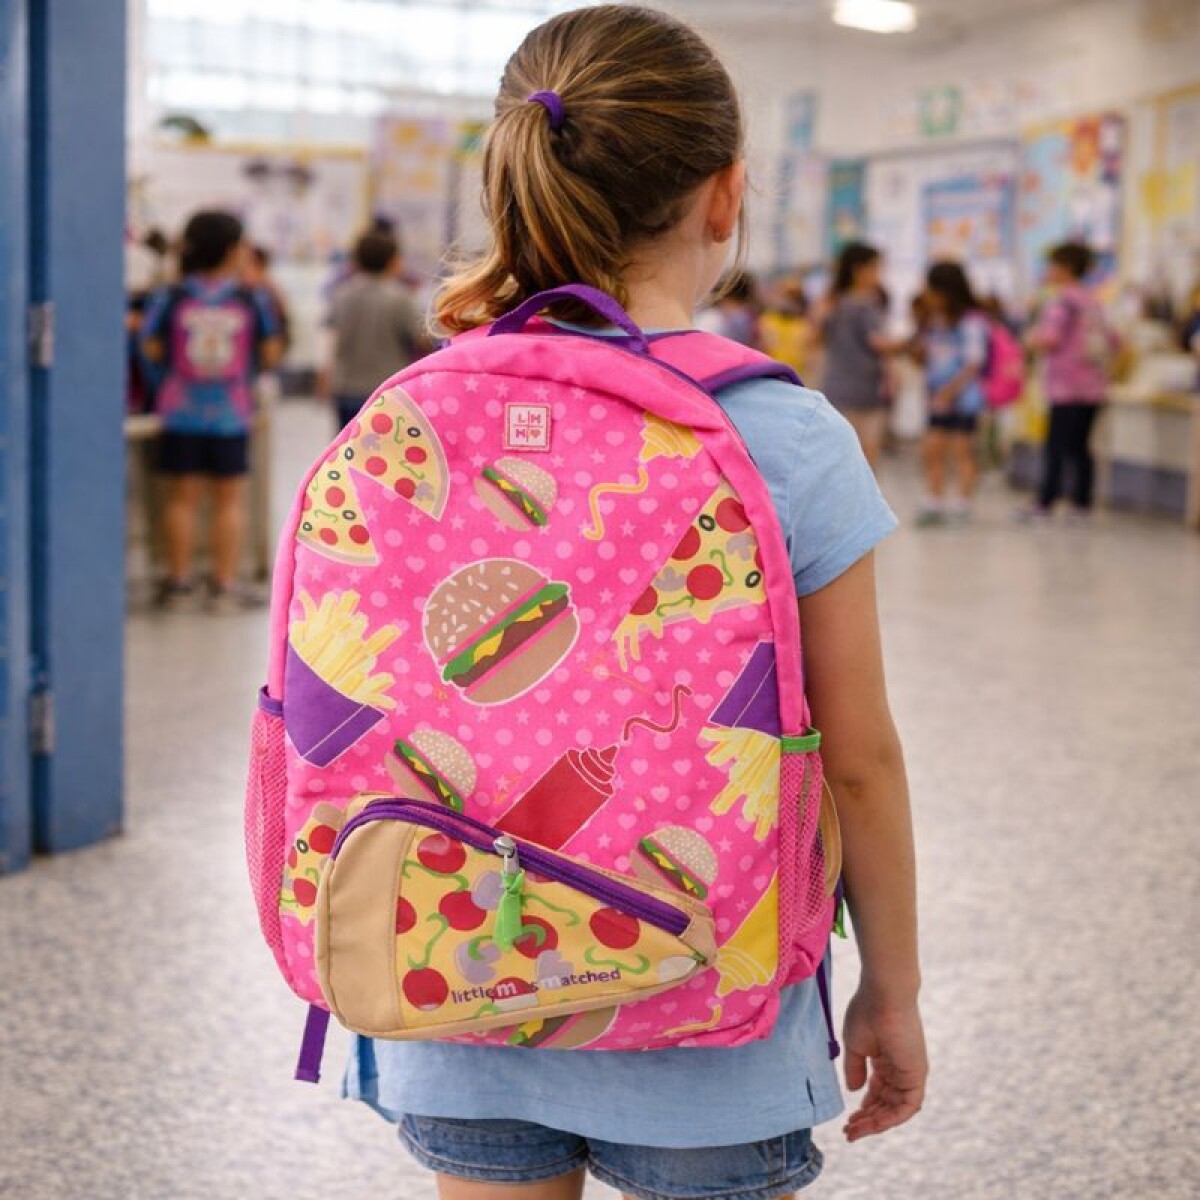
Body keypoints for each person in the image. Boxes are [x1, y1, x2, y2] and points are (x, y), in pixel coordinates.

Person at [342, 8, 927, 1200]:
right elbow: (857, 758)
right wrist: (894, 991)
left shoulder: (413, 414)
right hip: (712, 1010)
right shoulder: (788, 436)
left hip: (459, 988)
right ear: (726, 196)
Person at [141, 210, 282, 612]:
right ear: (232, 249)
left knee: (181, 499)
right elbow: (271, 350)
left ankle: (180, 581)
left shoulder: (173, 295)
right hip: (230, 412)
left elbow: (150, 344)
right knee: (228, 500)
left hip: (179, 408)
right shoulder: (249, 298)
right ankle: (223, 584)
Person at [1022, 242, 1118, 522]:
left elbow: (1050, 339)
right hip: (1094, 386)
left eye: (1052, 265)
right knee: (1081, 447)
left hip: (1066, 387)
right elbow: (1114, 340)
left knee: (1056, 446)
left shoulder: (1062, 301)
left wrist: (1030, 339)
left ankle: (1045, 501)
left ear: (1064, 268)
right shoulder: (1094, 301)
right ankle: (1082, 504)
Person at [327, 229, 431, 431]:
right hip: (384, 390)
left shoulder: (342, 295)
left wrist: (325, 377)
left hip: (344, 387)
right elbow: (422, 340)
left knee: (348, 449)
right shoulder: (400, 298)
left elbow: (332, 338)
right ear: (392, 261)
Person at [916, 260, 989, 525]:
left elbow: (973, 362)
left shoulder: (971, 322)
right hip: (938, 397)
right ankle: (933, 500)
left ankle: (963, 503)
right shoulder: (935, 321)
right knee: (932, 448)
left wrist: (950, 391)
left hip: (962, 398)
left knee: (962, 450)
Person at [820, 243, 903, 470]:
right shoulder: (864, 305)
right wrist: (910, 343)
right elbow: (878, 343)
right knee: (867, 452)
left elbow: (815, 336)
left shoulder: (831, 302)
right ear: (859, 270)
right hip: (865, 389)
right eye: (876, 268)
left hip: (837, 386)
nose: (879, 274)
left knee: (840, 454)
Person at [759, 275, 815, 377]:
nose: (789, 300)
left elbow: (809, 356)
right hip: (772, 375)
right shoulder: (768, 320)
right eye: (786, 295)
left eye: (794, 296)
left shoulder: (804, 324)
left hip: (797, 376)